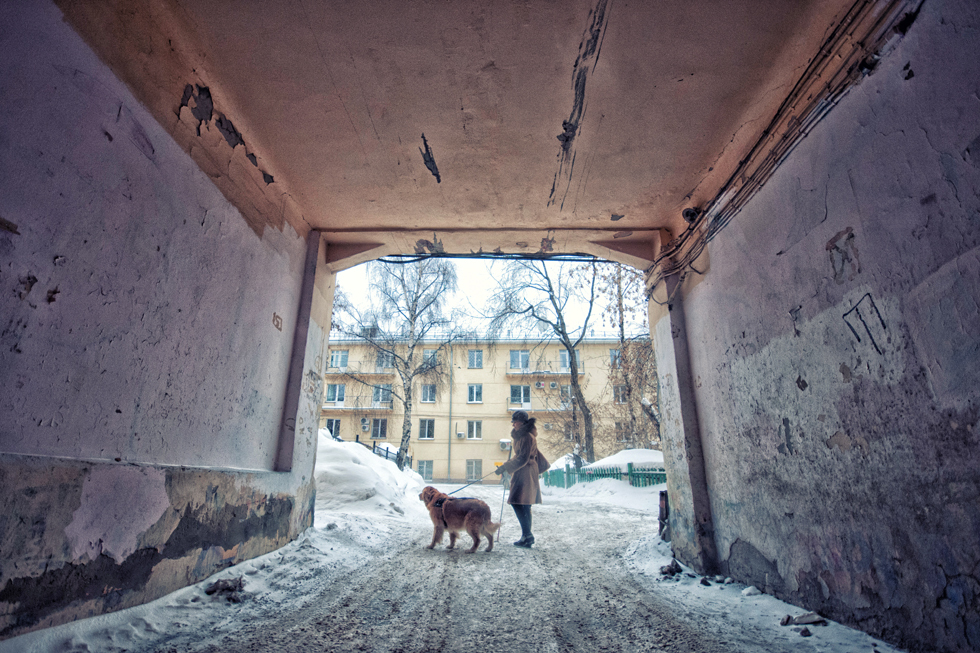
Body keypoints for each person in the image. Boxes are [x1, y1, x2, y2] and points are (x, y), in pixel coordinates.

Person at [495, 410, 544, 548]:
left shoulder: (527, 436)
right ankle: (527, 536)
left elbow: (523, 457)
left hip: (526, 471)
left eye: (515, 422)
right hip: (523, 470)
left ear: (522, 422)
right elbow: (518, 456)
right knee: (523, 503)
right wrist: (505, 466)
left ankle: (527, 535)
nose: (513, 424)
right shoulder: (521, 436)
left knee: (519, 502)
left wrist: (506, 467)